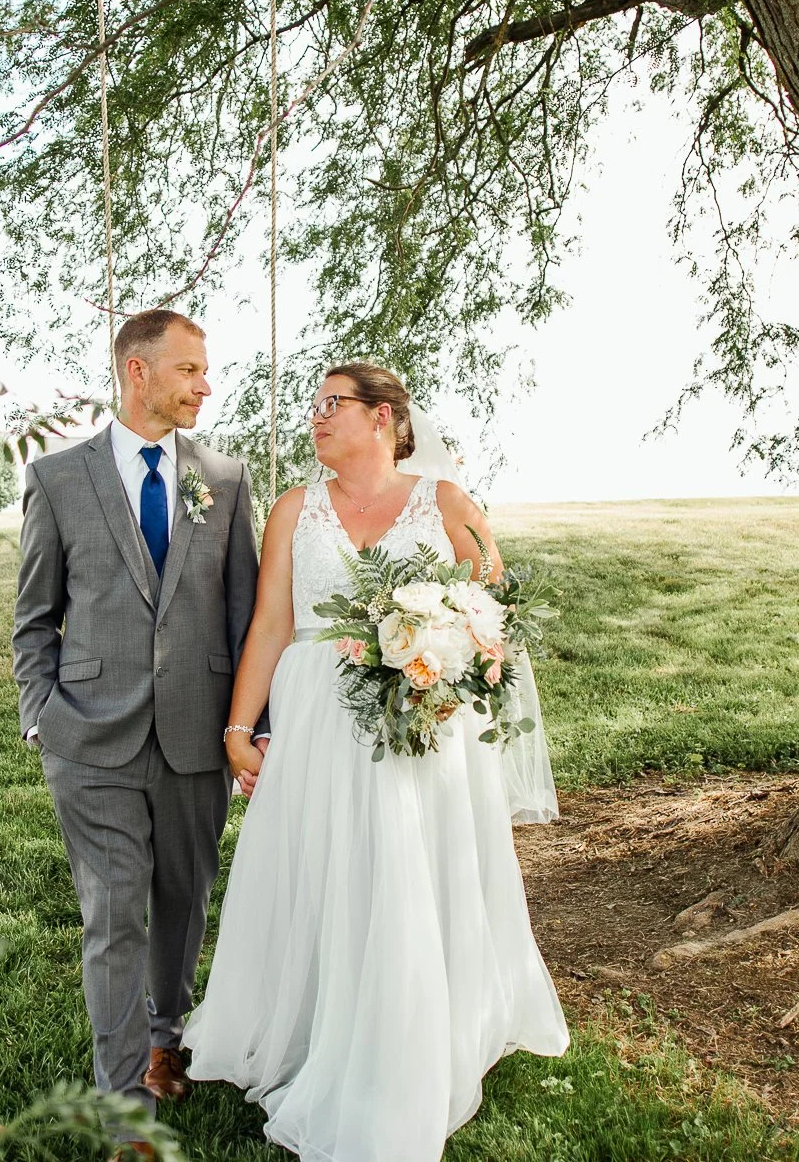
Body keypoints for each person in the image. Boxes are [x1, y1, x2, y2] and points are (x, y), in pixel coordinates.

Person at [182, 361, 569, 1161]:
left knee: (403, 864)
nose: (317, 417)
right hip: (319, 713)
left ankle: (409, 1028)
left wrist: (442, 650)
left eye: (334, 404)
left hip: (420, 716)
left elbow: (490, 615)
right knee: (325, 867)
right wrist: (238, 725)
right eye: (314, 406)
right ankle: (315, 1021)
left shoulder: (446, 504)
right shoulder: (295, 508)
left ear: (386, 417)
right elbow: (270, 625)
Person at [11, 309, 262, 1157]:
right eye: (189, 368)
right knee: (113, 913)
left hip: (197, 734)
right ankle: (123, 1104)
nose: (205, 384)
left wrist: (248, 725)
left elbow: (243, 612)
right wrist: (41, 714)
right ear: (136, 372)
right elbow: (34, 619)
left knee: (183, 899)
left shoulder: (226, 478)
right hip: (88, 738)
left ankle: (165, 1034)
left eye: (205, 369)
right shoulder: (56, 480)